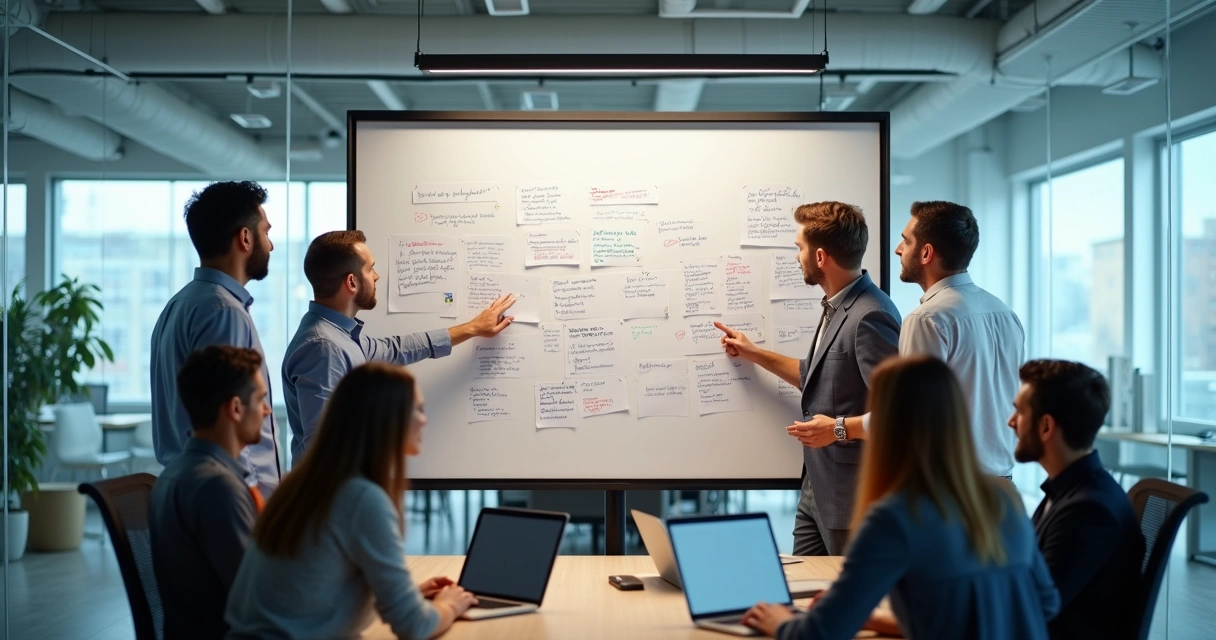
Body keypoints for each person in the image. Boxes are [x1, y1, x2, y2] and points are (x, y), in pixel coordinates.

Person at [743, 356, 1060, 640]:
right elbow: (1046, 603)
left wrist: (779, 621)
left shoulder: (895, 517)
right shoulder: (1003, 498)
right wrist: (878, 619)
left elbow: (822, 632)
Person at [225, 363, 477, 639]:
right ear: (388, 420)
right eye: (417, 409)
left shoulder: (305, 483)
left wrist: (404, 594)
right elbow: (414, 626)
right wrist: (449, 605)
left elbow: (313, 591)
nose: (424, 420)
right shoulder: (361, 498)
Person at [715, 201, 900, 555]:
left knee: (848, 603)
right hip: (816, 489)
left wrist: (837, 429)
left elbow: (898, 416)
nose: (796, 256)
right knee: (806, 595)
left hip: (852, 501)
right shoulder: (836, 305)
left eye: (799, 248)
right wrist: (753, 353)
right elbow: (815, 377)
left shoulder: (870, 315)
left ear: (820, 257)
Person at [282, 230, 516, 463]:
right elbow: (324, 449)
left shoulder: (340, 335)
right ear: (352, 282)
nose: (376, 276)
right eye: (370, 268)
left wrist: (473, 327)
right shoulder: (324, 347)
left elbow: (398, 348)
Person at [150, 181, 282, 496]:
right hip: (233, 495)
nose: (271, 245)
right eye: (266, 232)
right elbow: (232, 420)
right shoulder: (224, 311)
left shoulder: (181, 304)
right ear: (245, 238)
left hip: (199, 486)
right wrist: (256, 501)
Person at [1010, 359, 1145, 640]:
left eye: (1019, 412)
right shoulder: (1073, 491)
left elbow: (1028, 608)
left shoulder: (1089, 511)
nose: (1012, 422)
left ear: (1046, 426)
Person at [893, 200, 1024, 479]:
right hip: (1002, 486)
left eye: (906, 241)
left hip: (950, 491)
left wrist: (839, 428)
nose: (898, 249)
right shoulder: (1005, 312)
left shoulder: (926, 319)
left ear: (926, 253)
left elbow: (912, 416)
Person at [149, 346, 271, 640]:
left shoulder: (175, 474)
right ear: (236, 409)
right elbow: (262, 599)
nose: (267, 410)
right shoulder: (218, 489)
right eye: (261, 399)